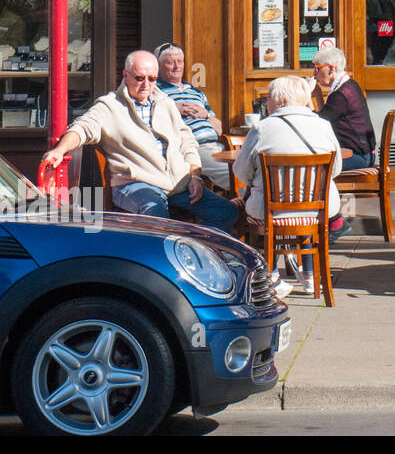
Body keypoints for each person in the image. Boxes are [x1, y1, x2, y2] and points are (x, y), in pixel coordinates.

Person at [38, 50, 240, 233]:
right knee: (156, 212)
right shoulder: (110, 106)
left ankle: (192, 252)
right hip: (137, 183)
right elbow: (82, 128)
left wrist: (195, 175)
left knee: (227, 212)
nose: (146, 85)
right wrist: (59, 150)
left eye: (152, 79)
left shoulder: (165, 103)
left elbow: (187, 141)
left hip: (178, 182)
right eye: (139, 78)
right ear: (125, 76)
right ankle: (168, 259)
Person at [234, 75, 342, 294]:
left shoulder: (262, 128)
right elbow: (336, 169)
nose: (267, 104)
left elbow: (241, 172)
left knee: (252, 205)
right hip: (317, 211)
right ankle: (311, 275)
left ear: (281, 100)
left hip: (270, 211)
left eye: (269, 99)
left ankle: (271, 275)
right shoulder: (324, 126)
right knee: (304, 204)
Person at [153, 41, 228, 188]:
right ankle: (253, 205)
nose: (177, 67)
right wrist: (173, 109)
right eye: (170, 63)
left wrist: (206, 115)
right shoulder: (155, 91)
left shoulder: (196, 92)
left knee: (249, 166)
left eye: (179, 61)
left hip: (217, 146)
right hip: (192, 149)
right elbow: (149, 117)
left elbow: (219, 129)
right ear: (159, 67)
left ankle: (248, 201)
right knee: (233, 173)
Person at [311, 47, 376, 172]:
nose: (314, 74)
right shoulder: (347, 84)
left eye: (317, 69)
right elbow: (325, 117)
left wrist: (307, 97)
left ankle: (327, 192)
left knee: (314, 167)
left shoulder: (342, 94)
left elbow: (318, 124)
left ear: (331, 69)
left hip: (359, 157)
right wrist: (318, 95)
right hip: (361, 153)